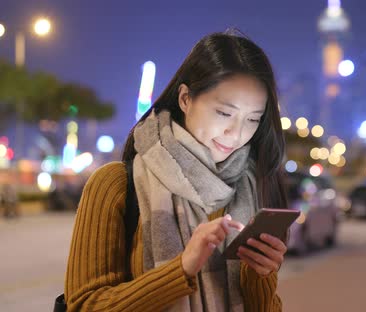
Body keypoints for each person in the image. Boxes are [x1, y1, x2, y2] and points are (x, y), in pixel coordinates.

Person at [64, 31, 287, 311]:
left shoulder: (253, 187)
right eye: (224, 113)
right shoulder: (117, 184)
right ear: (185, 99)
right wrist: (181, 269)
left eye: (253, 119)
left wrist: (261, 275)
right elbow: (84, 305)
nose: (236, 133)